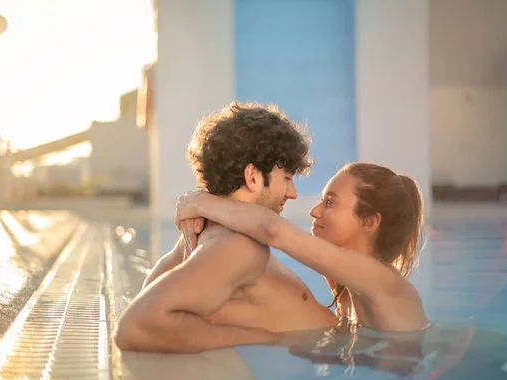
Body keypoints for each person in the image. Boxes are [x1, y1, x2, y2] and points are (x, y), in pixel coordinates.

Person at [114, 102, 339, 353]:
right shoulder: (239, 245)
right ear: (252, 177)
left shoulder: (203, 235)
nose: (293, 193)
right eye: (286, 178)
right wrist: (262, 338)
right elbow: (137, 325)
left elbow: (150, 291)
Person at [175, 162, 430, 332]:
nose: (314, 211)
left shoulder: (381, 279)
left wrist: (199, 201)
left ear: (369, 221)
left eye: (330, 202)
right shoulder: (344, 284)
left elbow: (273, 230)